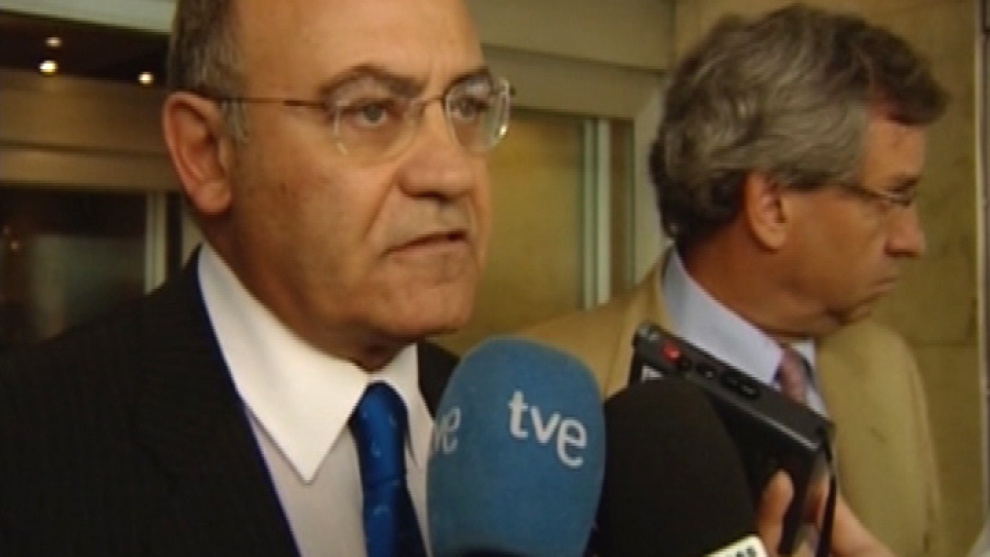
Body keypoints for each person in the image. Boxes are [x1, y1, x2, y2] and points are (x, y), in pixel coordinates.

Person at [0, 0, 510, 554]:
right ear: (207, 153)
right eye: (369, 111)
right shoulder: (30, 452)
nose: (452, 173)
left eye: (468, 105)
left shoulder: (521, 437)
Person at [523, 4, 947, 557]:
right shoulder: (544, 394)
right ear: (771, 206)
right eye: (894, 198)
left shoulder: (887, 369)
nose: (913, 241)